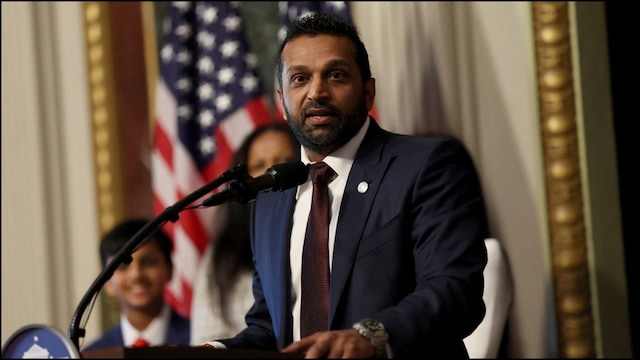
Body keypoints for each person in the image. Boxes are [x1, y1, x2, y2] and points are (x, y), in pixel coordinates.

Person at [206, 13, 489, 358]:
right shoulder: (270, 197)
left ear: (368, 92)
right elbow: (271, 329)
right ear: (282, 101)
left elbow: (455, 291)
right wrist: (211, 351)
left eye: (336, 75)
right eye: (300, 79)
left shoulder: (426, 166)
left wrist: (370, 336)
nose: (317, 92)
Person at [190, 122, 300, 345]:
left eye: (283, 161)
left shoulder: (320, 226)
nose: (271, 172)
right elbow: (206, 338)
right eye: (259, 165)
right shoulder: (222, 255)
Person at [82, 219, 190, 351]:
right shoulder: (93, 354)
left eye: (148, 263)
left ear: (169, 270)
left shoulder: (200, 340)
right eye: (122, 267)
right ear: (107, 282)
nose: (136, 275)